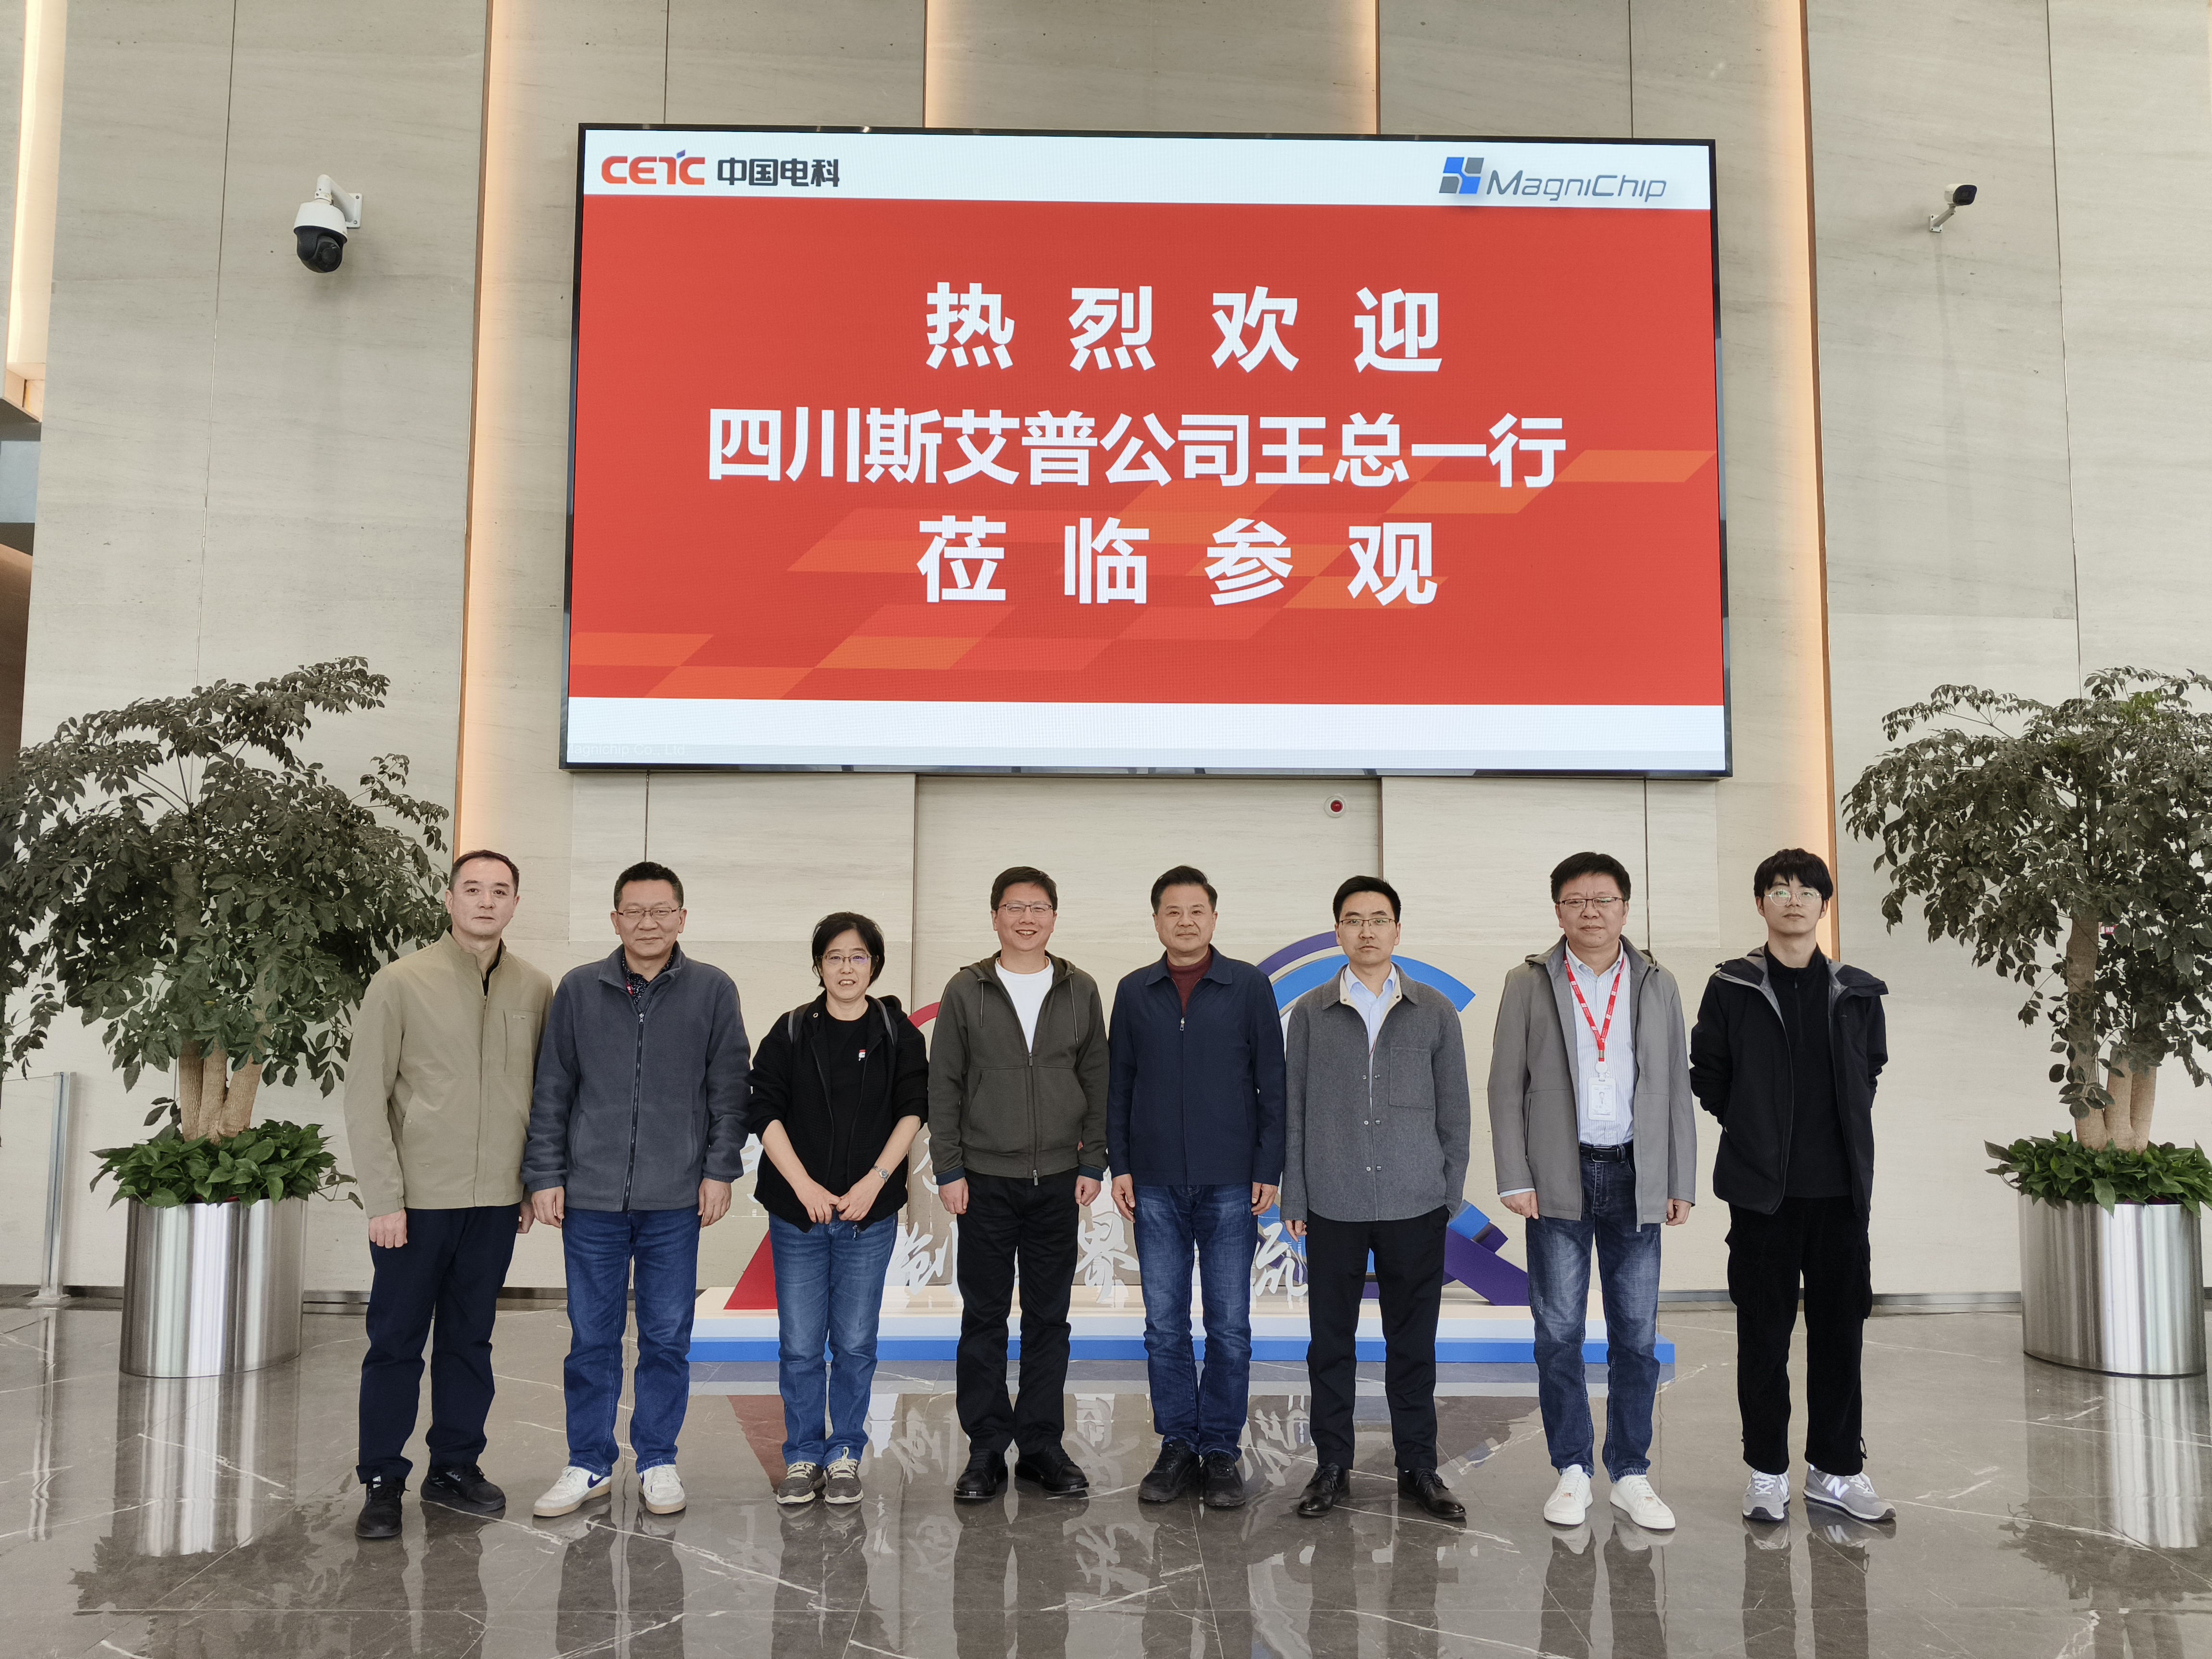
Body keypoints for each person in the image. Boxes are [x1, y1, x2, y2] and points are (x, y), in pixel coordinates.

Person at [523, 860, 750, 1521]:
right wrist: (545, 1175)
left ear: (682, 917)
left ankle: (657, 1460)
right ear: (615, 918)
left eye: (661, 911)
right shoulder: (579, 988)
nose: (648, 923)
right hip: (590, 1197)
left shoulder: (712, 989)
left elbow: (730, 1090)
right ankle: (589, 1462)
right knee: (591, 1338)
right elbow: (552, 1089)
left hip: (675, 1199)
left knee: (667, 1337)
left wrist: (719, 1171)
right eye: (635, 911)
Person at [345, 851, 552, 1540]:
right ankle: (382, 1480)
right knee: (396, 1342)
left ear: (515, 903)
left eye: (500, 891)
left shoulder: (535, 988)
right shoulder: (400, 982)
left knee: (470, 1340)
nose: (486, 901)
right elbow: (366, 1099)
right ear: (449, 898)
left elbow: (542, 1094)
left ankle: (455, 1466)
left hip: (494, 1202)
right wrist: (384, 1199)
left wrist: (529, 1182)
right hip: (416, 1202)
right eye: (473, 889)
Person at [1488, 851, 1697, 1533]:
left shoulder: (1658, 983)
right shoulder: (1528, 982)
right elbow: (1505, 1086)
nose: (1590, 912)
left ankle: (1631, 1473)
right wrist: (1515, 1175)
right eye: (1575, 901)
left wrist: (1680, 1178)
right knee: (1558, 1333)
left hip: (1638, 1173)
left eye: (1603, 900)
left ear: (1625, 908)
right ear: (1558, 911)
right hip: (1558, 1174)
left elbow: (1677, 1087)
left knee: (1636, 1336)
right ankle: (1572, 1470)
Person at [1690, 849, 1893, 1525]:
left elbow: (1870, 1071)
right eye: (1779, 890)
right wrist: (1752, 1127)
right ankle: (1767, 1472)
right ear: (1761, 904)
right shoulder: (1733, 986)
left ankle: (1837, 1471)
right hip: (1762, 1198)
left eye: (1807, 891)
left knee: (1840, 1337)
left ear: (1823, 905)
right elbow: (1708, 1072)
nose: (1794, 900)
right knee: (1763, 1338)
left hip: (1840, 1198)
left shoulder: (1857, 992)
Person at [1281, 876, 1471, 1523]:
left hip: (1415, 1201)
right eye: (1354, 919)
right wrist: (1295, 1195)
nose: (1367, 931)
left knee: (1412, 1344)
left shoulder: (1434, 1010)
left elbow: (1456, 1112)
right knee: (1330, 1344)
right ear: (1337, 930)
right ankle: (1332, 1465)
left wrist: (1448, 1192)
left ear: (1397, 929)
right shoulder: (1311, 1012)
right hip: (1332, 1201)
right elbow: (1294, 1110)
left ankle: (1418, 1466)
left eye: (1379, 919)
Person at [1107, 865, 1286, 1510]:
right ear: (1157, 920)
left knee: (1230, 1325)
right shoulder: (1134, 991)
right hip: (1154, 1181)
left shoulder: (1248, 986)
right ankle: (1178, 1443)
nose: (1185, 922)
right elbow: (1118, 1085)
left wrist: (1267, 1167)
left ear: (1214, 917)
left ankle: (1220, 1449)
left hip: (1231, 1181)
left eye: (1196, 911)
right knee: (1163, 1325)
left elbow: (1273, 1082)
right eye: (1173, 912)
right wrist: (1120, 1165)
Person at [928, 864, 1109, 1502]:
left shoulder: (1080, 988)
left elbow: (1097, 1079)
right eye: (1014, 907)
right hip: (983, 1179)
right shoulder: (966, 989)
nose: (1027, 918)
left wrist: (1093, 1163)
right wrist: (949, 1168)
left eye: (1038, 908)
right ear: (995, 917)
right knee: (983, 1317)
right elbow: (944, 1083)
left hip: (1058, 1179)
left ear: (1054, 917)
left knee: (1049, 1317)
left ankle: (1040, 1446)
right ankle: (985, 1449)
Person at [748, 911, 928, 1508]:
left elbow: (914, 1109)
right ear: (819, 965)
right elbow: (763, 1109)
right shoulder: (791, 1030)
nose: (846, 968)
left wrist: (875, 1182)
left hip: (866, 1216)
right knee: (801, 1344)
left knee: (854, 1342)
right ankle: (803, 1455)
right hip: (799, 1213)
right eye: (834, 957)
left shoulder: (898, 1033)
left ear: (874, 965)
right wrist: (803, 1186)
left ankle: (845, 1450)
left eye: (858, 957)